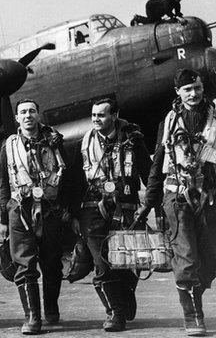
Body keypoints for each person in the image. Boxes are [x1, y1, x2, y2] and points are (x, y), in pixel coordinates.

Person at [136, 69, 216, 336]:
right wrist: (148, 203)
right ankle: (193, 316)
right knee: (186, 258)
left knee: (210, 257)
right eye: (187, 90)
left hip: (210, 197)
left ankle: (196, 291)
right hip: (177, 198)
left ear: (204, 89)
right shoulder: (169, 122)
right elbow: (158, 164)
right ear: (178, 93)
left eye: (197, 88)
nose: (193, 94)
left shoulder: (215, 117)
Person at [69, 98, 152, 332]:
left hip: (126, 209)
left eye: (102, 115)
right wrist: (73, 215)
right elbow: (73, 182)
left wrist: (153, 206)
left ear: (114, 115)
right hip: (92, 210)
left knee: (126, 262)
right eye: (94, 115)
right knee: (102, 263)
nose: (96, 119)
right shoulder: (83, 144)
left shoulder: (133, 141)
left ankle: (125, 296)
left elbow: (148, 173)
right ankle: (114, 312)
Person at [0, 99, 68, 334]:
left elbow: (67, 177)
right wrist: (4, 219)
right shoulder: (8, 146)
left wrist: (66, 212)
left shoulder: (55, 142)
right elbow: (3, 185)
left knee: (52, 264)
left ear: (38, 115)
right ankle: (32, 318)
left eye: (32, 111)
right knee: (24, 265)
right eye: (23, 112)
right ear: (17, 118)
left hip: (50, 210)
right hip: (20, 210)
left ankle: (51, 310)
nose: (27, 115)